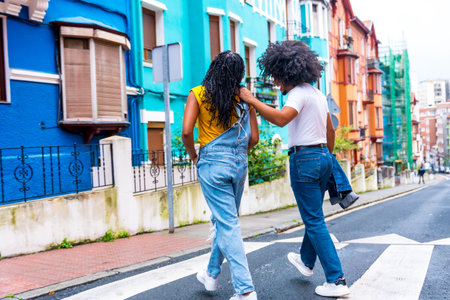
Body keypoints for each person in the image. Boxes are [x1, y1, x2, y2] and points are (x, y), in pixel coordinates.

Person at [238, 40, 350, 298]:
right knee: (315, 215)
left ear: (287, 72)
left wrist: (252, 100)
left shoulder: (297, 94)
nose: (276, 83)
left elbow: (280, 119)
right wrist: (328, 159)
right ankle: (306, 262)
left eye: (277, 77)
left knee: (313, 219)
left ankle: (337, 280)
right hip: (323, 155)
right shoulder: (317, 94)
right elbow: (330, 131)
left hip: (305, 159)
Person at [182, 51, 259, 300]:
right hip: (239, 164)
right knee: (225, 222)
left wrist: (195, 156)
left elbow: (185, 132)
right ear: (239, 74)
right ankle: (211, 274)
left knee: (227, 224)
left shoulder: (198, 93)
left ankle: (245, 290)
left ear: (213, 68)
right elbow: (254, 139)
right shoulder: (245, 98)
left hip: (212, 164)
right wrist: (235, 152)